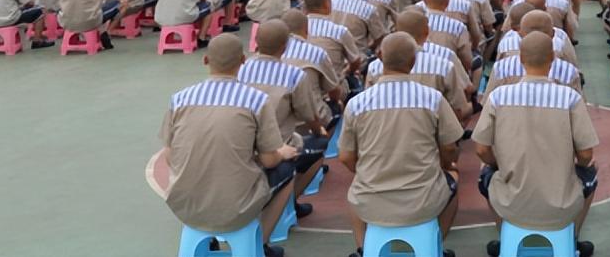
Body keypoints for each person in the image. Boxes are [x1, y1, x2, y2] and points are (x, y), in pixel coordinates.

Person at [158, 34, 299, 257]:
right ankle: (261, 243)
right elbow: (268, 159)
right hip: (237, 207)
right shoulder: (256, 100)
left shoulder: (180, 99)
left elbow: (169, 155)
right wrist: (282, 152)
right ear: (243, 60)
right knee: (286, 170)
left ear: (205, 60)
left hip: (185, 205)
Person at [338, 32, 465, 257]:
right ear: (414, 61)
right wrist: (446, 165)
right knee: (453, 177)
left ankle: (363, 248)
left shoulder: (357, 104)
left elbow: (346, 157)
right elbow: (449, 147)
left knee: (356, 187)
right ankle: (437, 245)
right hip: (423, 200)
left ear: (379, 57)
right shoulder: (432, 99)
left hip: (372, 197)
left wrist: (365, 171)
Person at [473, 32, 598, 257]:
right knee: (592, 173)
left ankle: (505, 237)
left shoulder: (499, 97)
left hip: (511, 202)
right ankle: (573, 239)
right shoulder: (569, 98)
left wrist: (498, 164)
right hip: (561, 202)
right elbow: (586, 154)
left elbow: (481, 149)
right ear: (553, 58)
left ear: (521, 58)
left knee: (485, 173)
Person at [237, 20, 328, 219]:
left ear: (256, 41)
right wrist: (318, 130)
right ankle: (290, 202)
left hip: (240, 145)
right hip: (276, 147)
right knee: (319, 144)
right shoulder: (294, 75)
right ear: (285, 47)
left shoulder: (241, 69)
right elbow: (308, 115)